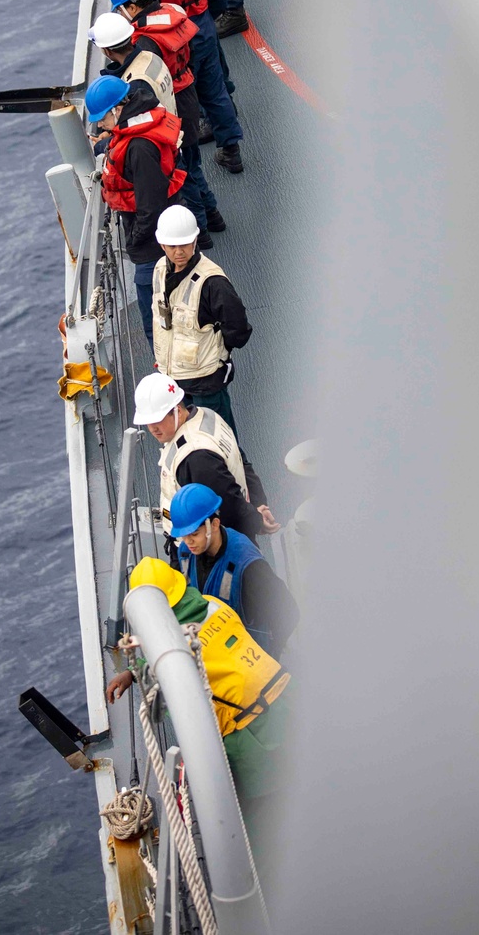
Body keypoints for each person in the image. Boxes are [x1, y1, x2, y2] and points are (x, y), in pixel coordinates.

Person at [105, 556, 292, 855]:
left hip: (251, 734)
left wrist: (137, 671)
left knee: (263, 822)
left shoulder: (175, 648)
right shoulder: (210, 603)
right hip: (284, 697)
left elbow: (166, 701)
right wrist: (132, 672)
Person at [114, 0, 244, 173]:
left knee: (180, 91)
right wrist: (207, 19)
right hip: (203, 24)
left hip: (173, 38)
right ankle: (231, 150)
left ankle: (186, 156)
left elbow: (145, 9)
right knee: (215, 89)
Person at [109, 0, 226, 237]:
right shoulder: (173, 13)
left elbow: (145, 92)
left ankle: (202, 231)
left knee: (183, 176)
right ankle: (213, 216)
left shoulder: (145, 42)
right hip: (186, 95)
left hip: (173, 109)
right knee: (193, 165)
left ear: (132, 7)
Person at [84, 75, 185, 345]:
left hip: (153, 245)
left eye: (103, 118)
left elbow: (150, 208)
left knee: (157, 322)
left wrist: (135, 239)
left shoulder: (140, 148)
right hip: (158, 235)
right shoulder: (139, 120)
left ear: (118, 109)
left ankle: (172, 379)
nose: (101, 124)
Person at [131, 371, 278, 542]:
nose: (152, 429)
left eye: (158, 420)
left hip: (207, 546)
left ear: (177, 410)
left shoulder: (196, 457)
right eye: (148, 422)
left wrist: (256, 521)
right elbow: (240, 460)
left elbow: (228, 505)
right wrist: (259, 504)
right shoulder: (207, 416)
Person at [151, 203, 252, 431]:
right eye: (172, 245)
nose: (179, 252)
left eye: (185, 244)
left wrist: (216, 351)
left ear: (195, 241)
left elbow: (239, 329)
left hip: (206, 382)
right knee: (185, 437)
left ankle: (240, 466)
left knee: (219, 438)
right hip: (173, 382)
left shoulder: (213, 282)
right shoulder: (159, 270)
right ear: (162, 244)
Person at [169, 483, 299, 658]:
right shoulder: (185, 552)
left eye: (194, 534)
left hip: (247, 660)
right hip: (211, 652)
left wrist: (269, 658)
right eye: (183, 535)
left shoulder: (247, 564)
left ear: (214, 524)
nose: (188, 541)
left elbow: (288, 612)